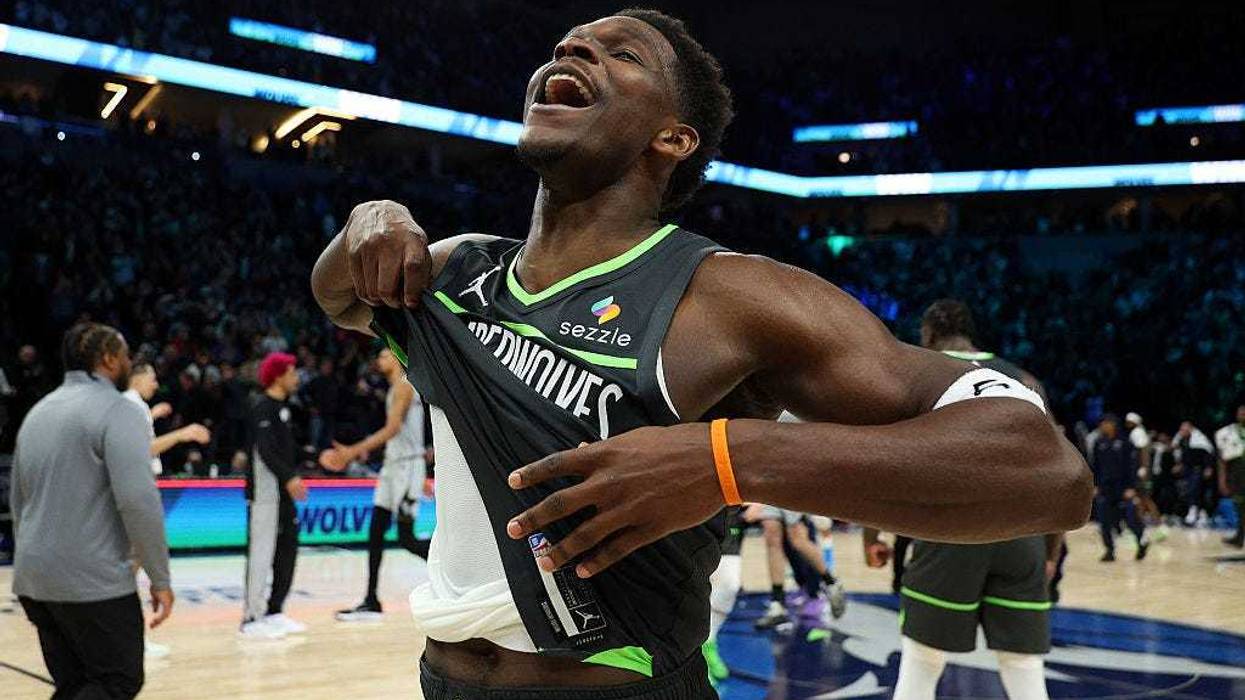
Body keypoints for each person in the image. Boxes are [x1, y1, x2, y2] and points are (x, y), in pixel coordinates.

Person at [311, 10, 1090, 696]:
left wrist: (727, 459)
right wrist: (365, 221)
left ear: (673, 137)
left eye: (621, 53)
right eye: (570, 40)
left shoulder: (731, 296)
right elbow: (338, 295)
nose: (574, 44)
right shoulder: (454, 269)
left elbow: (1043, 472)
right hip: (440, 680)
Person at [883, 300, 1061, 700]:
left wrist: (875, 536)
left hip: (952, 531)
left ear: (928, 334)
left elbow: (888, 458)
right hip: (1023, 534)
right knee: (1024, 669)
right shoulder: (1027, 381)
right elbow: (1056, 470)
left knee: (921, 664)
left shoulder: (915, 372)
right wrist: (1050, 549)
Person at [10, 322, 174, 698]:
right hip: (90, 580)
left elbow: (20, 502)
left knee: (76, 684)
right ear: (107, 358)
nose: (130, 362)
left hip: (35, 579)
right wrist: (160, 578)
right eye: (125, 354)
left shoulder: (38, 412)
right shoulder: (119, 411)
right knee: (119, 681)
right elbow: (138, 502)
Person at [325, 348, 433, 620]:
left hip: (406, 468)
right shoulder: (396, 387)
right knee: (375, 533)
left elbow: (393, 429)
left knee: (406, 539)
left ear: (396, 358)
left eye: (385, 355)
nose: (379, 360)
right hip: (395, 467)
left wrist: (352, 451)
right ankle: (371, 600)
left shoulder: (405, 386)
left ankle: (455, 568)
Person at [240, 352, 307, 639]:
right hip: (265, 495)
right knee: (261, 553)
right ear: (278, 375)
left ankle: (275, 610)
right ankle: (251, 617)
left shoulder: (286, 409)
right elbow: (266, 451)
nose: (296, 377)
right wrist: (290, 477)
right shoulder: (262, 408)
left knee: (287, 549)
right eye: (292, 372)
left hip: (283, 495)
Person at [124, 362, 212, 475]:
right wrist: (182, 434)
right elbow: (144, 448)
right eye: (152, 380)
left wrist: (152, 414)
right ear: (137, 380)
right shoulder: (131, 404)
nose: (156, 385)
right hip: (136, 479)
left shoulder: (132, 403)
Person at [1090, 414, 1148, 562]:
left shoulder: (1126, 443)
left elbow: (1132, 466)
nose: (1102, 426)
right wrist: (1094, 485)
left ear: (1112, 424)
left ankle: (1142, 541)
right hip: (1104, 488)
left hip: (1123, 489)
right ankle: (1109, 550)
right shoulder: (1099, 443)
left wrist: (1132, 487)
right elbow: (1095, 466)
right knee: (1104, 521)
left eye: (1104, 423)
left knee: (1130, 519)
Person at [702, 507, 745, 684]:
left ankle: (708, 642)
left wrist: (762, 504)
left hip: (727, 514)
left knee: (730, 584)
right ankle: (696, 655)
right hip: (688, 515)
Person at [1213, 405, 1245, 548]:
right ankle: (1239, 536)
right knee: (1240, 505)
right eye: (1241, 412)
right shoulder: (1227, 432)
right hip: (1237, 471)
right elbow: (1222, 460)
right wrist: (1222, 479)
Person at [1174, 421, 1217, 527]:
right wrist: (1179, 464)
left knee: (1195, 490)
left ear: (1190, 429)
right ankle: (1200, 514)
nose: (1181, 431)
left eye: (1184, 429)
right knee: (1189, 490)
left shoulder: (1199, 440)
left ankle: (1195, 514)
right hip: (1188, 469)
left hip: (1199, 469)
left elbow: (1208, 454)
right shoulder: (1182, 440)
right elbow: (1181, 453)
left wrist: (1208, 467)